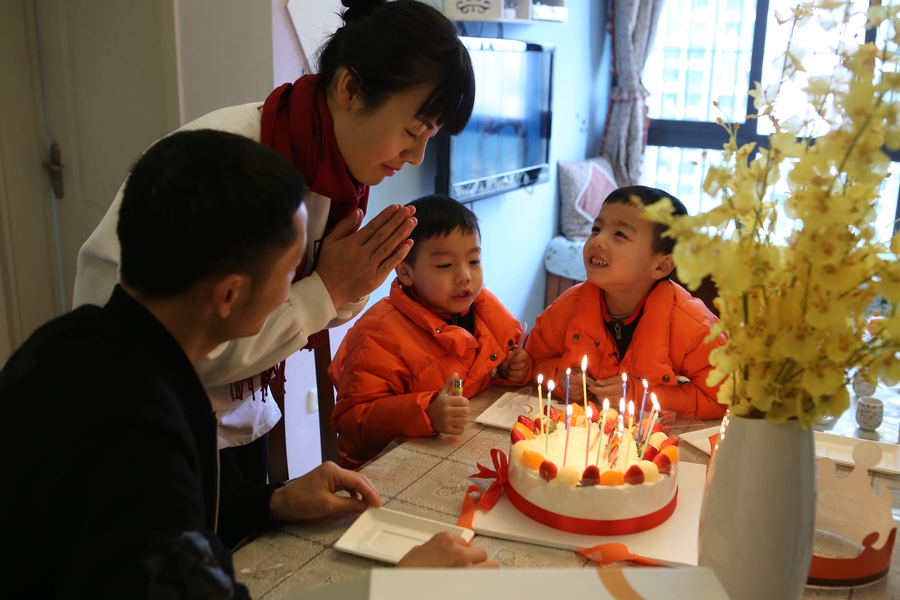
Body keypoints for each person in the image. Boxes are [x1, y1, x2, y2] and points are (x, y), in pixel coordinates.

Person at [0, 131, 494, 599]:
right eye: (292, 273)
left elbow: (185, 524)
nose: (300, 292)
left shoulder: (77, 342)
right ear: (231, 294)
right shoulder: (134, 431)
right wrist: (399, 586)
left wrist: (273, 501)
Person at [71, 0, 476, 484]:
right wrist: (328, 289)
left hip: (242, 415)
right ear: (350, 88)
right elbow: (182, 347)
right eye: (413, 130)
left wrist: (347, 283)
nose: (416, 155)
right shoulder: (225, 171)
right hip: (157, 428)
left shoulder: (334, 172)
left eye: (430, 135)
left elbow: (315, 305)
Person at [329, 195, 530, 469]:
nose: (465, 276)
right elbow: (353, 418)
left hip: (454, 453)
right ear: (405, 272)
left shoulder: (485, 310)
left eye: (474, 261)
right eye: (445, 265)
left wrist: (507, 370)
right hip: (383, 469)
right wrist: (427, 412)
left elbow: (485, 373)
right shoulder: (381, 333)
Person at [525, 185, 727, 419]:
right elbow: (535, 359)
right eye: (596, 228)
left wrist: (637, 395)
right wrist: (561, 379)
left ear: (661, 265)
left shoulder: (692, 326)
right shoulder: (569, 306)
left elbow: (721, 398)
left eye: (619, 234)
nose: (598, 240)